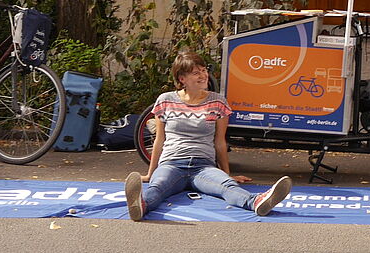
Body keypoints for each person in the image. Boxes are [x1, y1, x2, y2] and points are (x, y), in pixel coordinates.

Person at [125, 50, 292, 220]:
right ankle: (141, 205)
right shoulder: (165, 100)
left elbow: (220, 142)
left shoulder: (218, 102)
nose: (203, 75)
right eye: (196, 73)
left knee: (227, 186)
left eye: (204, 70)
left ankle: (257, 202)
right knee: (157, 186)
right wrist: (150, 173)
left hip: (203, 166)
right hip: (171, 163)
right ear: (182, 79)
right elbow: (159, 141)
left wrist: (226, 173)